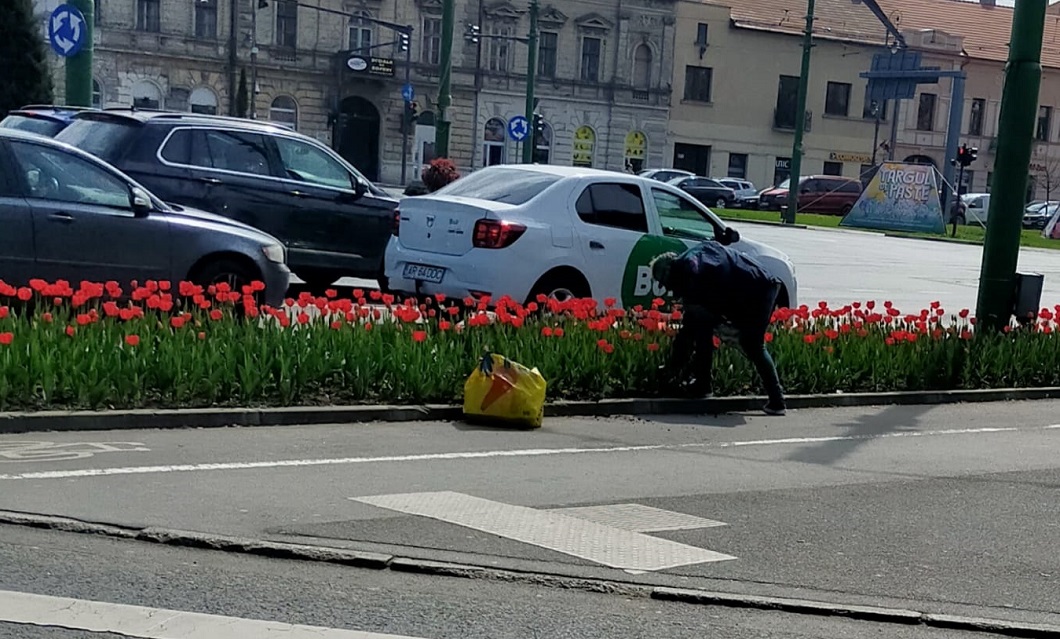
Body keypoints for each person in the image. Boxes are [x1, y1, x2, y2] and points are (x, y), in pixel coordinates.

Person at [650, 242, 787, 416]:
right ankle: (702, 385)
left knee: (753, 344)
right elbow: (693, 325)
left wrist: (674, 366)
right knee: (701, 328)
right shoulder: (691, 264)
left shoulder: (692, 269)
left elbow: (695, 320)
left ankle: (777, 401)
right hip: (750, 287)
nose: (668, 290)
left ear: (669, 273)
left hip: (759, 290)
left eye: (665, 284)